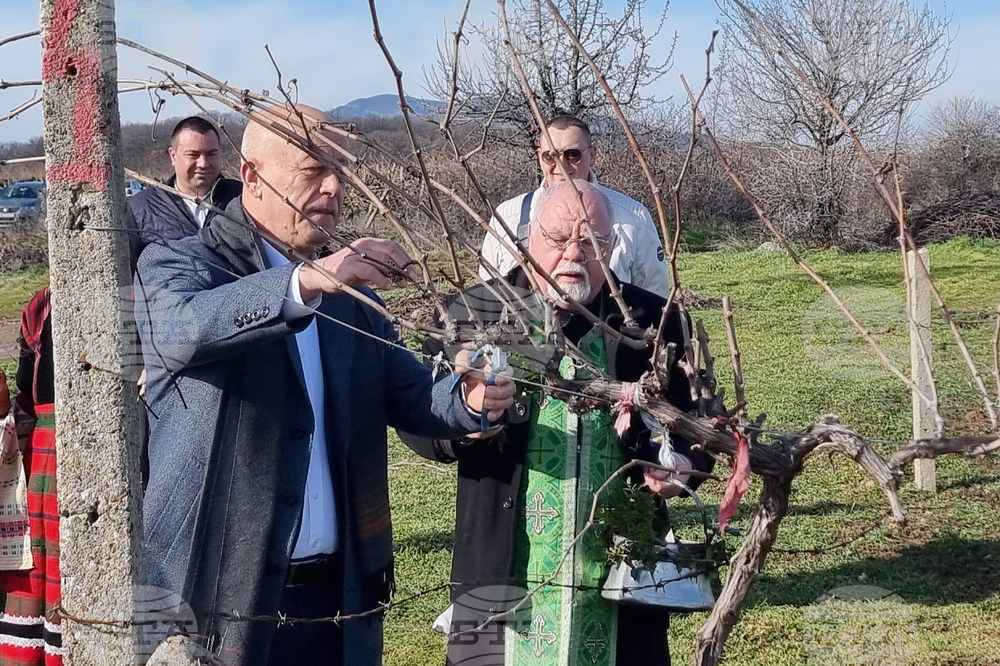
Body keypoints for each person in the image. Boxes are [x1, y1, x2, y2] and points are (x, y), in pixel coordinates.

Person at [135, 105, 515, 666]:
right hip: (215, 602)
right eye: (315, 169)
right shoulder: (181, 262)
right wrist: (307, 281)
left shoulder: (356, 300)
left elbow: (408, 391)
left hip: (341, 599)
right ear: (253, 176)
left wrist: (469, 399)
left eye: (342, 171)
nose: (336, 187)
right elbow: (184, 328)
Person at [402, 180, 713, 666]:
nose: (574, 253)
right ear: (527, 238)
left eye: (592, 242)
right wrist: (465, 417)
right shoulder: (474, 311)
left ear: (611, 247)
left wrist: (682, 465)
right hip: (498, 567)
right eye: (558, 237)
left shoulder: (653, 321)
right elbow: (416, 416)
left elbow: (698, 422)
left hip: (623, 572)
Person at [478, 114, 671, 297]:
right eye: (550, 156)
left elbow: (654, 296)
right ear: (539, 158)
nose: (561, 164)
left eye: (572, 155)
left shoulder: (633, 218)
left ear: (592, 155)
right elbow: (488, 296)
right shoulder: (506, 216)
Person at [0, 286, 61, 665]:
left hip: (71, 454)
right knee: (30, 571)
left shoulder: (137, 293)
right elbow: (25, 393)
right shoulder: (39, 307)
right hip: (37, 452)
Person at [124, 115, 242, 257]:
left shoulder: (243, 199)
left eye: (211, 154)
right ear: (173, 156)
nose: (203, 163)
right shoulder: (141, 208)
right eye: (193, 155)